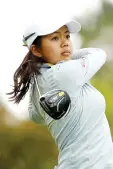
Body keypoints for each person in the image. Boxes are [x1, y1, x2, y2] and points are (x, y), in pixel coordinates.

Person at [8, 17, 113, 169]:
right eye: (55, 38)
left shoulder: (41, 83)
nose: (65, 43)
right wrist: (70, 56)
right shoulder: (65, 73)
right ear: (36, 50)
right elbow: (99, 54)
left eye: (67, 36)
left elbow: (35, 116)